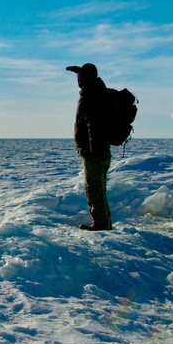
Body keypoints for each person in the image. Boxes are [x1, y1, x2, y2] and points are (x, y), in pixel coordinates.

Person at [66, 63, 112, 230]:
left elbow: (93, 124)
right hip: (102, 150)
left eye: (80, 78)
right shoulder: (98, 89)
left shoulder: (90, 95)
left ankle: (101, 226)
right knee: (99, 188)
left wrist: (91, 149)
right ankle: (105, 223)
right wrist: (81, 71)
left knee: (94, 190)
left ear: (85, 79)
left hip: (95, 152)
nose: (77, 81)